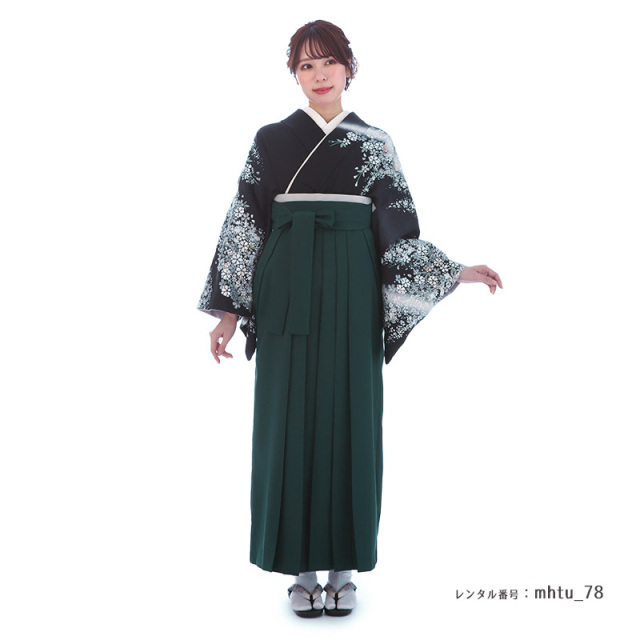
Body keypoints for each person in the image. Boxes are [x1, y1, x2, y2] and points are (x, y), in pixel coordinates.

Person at [197, 20, 502, 618]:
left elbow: (398, 233)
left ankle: (343, 567)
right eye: (305, 65)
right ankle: (301, 569)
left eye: (328, 62)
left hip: (353, 289)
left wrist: (454, 270)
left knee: (351, 419)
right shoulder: (270, 139)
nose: (319, 75)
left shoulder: (374, 143)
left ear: (348, 68)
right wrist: (228, 313)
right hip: (284, 289)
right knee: (287, 421)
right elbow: (245, 225)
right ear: (295, 74)